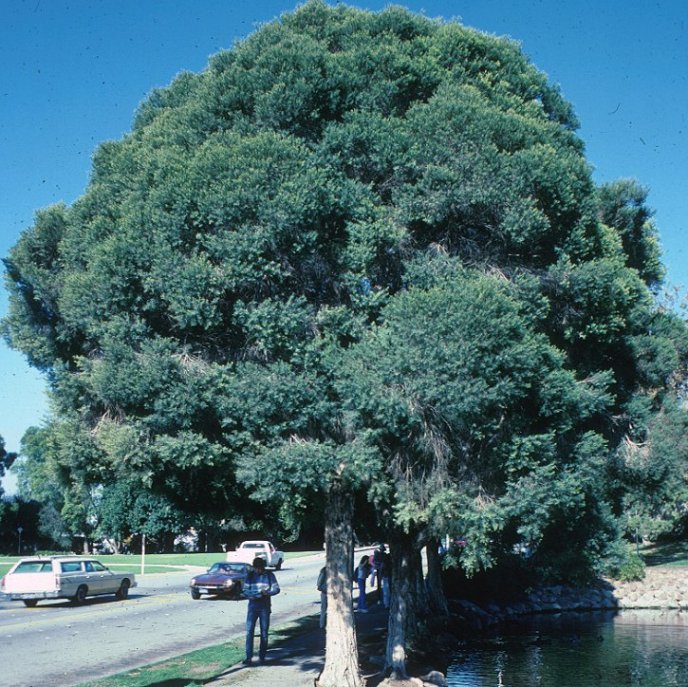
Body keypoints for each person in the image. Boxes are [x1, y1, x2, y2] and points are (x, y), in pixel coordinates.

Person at [242, 557, 280, 665]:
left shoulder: (269, 575)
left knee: (264, 633)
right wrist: (254, 594)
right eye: (256, 568)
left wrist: (267, 593)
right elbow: (245, 591)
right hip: (252, 607)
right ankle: (248, 658)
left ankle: (262, 657)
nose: (258, 571)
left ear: (263, 567)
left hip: (264, 607)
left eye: (260, 568)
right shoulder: (250, 576)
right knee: (249, 632)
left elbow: (276, 589)